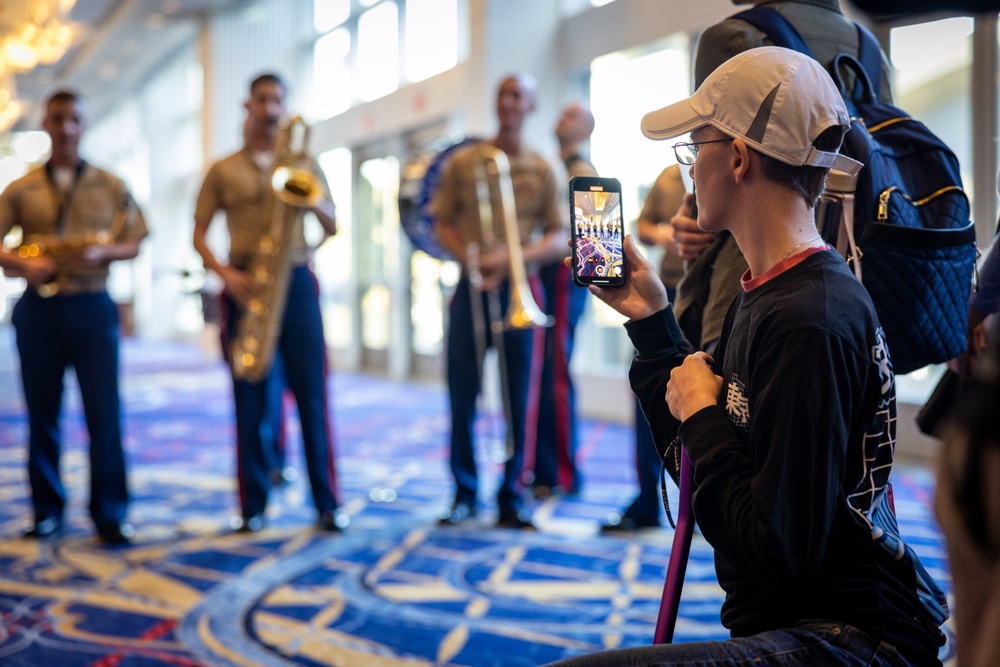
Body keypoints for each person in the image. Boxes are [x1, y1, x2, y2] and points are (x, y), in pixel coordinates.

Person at [546, 46, 948, 666]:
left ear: (737, 158)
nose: (687, 170)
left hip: (846, 636)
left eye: (693, 149)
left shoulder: (808, 318)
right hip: (799, 619)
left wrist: (704, 417)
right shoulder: (766, 292)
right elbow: (708, 478)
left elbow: (774, 551)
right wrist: (654, 325)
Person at [671, 0, 894, 356]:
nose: (694, 167)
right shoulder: (870, 51)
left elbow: (720, 164)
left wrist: (694, 218)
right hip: (856, 268)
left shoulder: (733, 37)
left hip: (752, 280)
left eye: (694, 153)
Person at [193, 73, 344, 533]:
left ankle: (327, 503)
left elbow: (332, 224)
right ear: (248, 105)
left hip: (296, 282)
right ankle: (253, 505)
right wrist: (227, 275)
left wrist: (311, 195)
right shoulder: (222, 170)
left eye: (278, 100)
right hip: (247, 285)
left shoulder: (306, 162)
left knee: (313, 398)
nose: (271, 109)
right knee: (250, 399)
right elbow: (198, 235)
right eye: (263, 100)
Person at [0, 90, 148, 545]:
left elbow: (137, 239)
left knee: (105, 413)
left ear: (83, 125)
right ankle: (47, 510)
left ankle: (110, 513)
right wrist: (26, 265)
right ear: (46, 122)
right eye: (58, 118)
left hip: (92, 305)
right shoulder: (19, 189)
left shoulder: (111, 183)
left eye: (74, 120)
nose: (65, 127)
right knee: (42, 415)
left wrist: (106, 250)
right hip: (38, 308)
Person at [432, 73, 567, 529]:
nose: (508, 103)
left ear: (530, 106)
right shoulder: (464, 162)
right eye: (503, 94)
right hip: (473, 284)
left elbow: (559, 236)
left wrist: (511, 259)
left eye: (518, 96)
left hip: (520, 286)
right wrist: (471, 258)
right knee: (462, 392)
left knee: (519, 397)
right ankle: (464, 492)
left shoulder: (543, 167)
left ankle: (513, 494)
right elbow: (440, 221)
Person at [600, 165, 688, 533]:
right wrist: (668, 234)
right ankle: (647, 498)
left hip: (713, 293)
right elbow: (645, 224)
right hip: (667, 288)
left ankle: (702, 500)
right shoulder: (670, 176)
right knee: (649, 393)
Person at [527, 102, 595, 498]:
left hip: (564, 281)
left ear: (586, 128)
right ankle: (545, 466)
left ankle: (562, 472)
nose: (558, 119)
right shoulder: (555, 167)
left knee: (555, 374)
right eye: (559, 113)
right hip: (549, 280)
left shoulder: (582, 172)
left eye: (569, 116)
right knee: (546, 373)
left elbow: (587, 246)